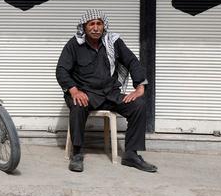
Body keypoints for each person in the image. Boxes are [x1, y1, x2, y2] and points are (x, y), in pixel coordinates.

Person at [56, 9, 157, 173]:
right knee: (78, 105)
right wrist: (74, 91)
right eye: (91, 24)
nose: (95, 28)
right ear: (84, 27)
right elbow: (61, 70)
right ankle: (77, 153)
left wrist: (140, 86)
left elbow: (132, 61)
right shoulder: (74, 44)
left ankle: (131, 154)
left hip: (110, 93)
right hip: (84, 92)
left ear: (104, 26)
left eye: (99, 24)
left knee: (138, 104)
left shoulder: (114, 42)